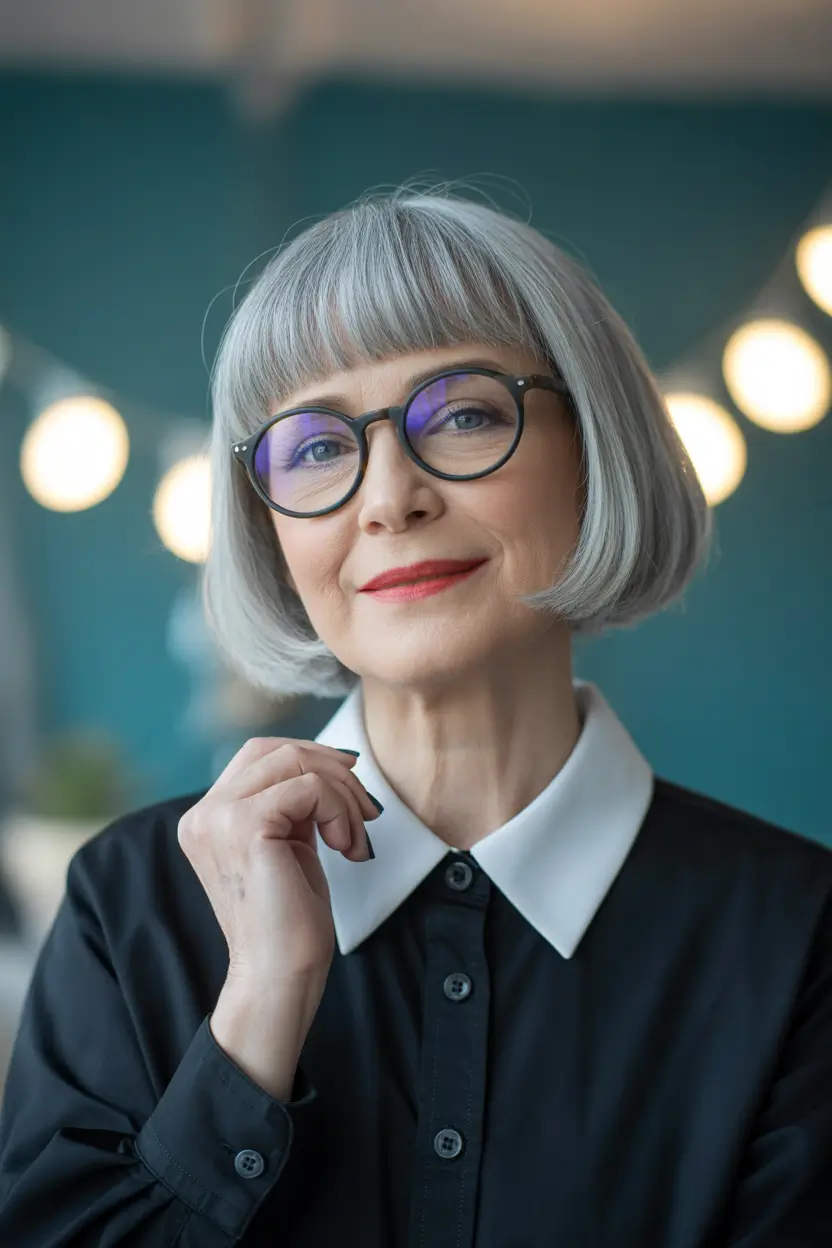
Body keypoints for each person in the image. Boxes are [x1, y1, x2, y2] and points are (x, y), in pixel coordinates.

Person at [1, 188, 830, 1248]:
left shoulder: (800, 933)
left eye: (465, 415)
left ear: (594, 449)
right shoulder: (128, 907)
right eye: (315, 447)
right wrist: (259, 1010)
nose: (389, 498)